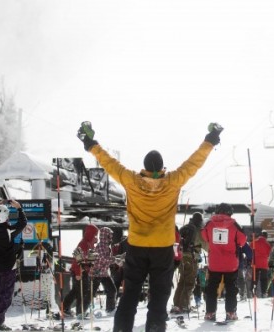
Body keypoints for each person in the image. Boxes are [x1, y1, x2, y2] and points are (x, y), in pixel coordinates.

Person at [77, 121, 222, 332]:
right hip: (163, 247)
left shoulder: (131, 180)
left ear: (144, 167)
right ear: (162, 167)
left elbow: (109, 163)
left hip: (136, 245)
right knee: (160, 295)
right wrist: (210, 139)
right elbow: (194, 163)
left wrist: (91, 143)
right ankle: (154, 328)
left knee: (130, 294)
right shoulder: (173, 180)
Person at [0, 200, 27, 331]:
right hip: (8, 267)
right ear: (6, 217)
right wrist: (19, 208)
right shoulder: (8, 230)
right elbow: (23, 223)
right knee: (6, 297)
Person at [201, 203, 248, 322]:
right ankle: (231, 312)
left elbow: (205, 237)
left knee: (212, 288)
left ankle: (210, 313)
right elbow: (242, 241)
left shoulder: (209, 223)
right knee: (231, 288)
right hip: (231, 263)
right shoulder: (235, 225)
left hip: (214, 263)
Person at [171, 212, 206, 314]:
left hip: (180, 257)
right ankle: (185, 305)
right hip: (191, 257)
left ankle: (177, 304)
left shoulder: (184, 228)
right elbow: (203, 245)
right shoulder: (197, 230)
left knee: (182, 281)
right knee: (190, 282)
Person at [62, 224, 98, 318]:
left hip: (84, 270)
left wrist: (91, 269)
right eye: (94, 234)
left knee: (76, 291)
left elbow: (90, 258)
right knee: (82, 292)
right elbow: (77, 259)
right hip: (79, 271)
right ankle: (80, 312)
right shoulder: (83, 244)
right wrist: (78, 273)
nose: (95, 237)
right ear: (90, 233)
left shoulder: (90, 243)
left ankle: (65, 308)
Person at [90, 227, 118, 314]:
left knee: (112, 290)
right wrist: (115, 260)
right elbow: (102, 259)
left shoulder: (106, 246)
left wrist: (117, 258)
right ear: (105, 236)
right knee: (91, 293)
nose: (111, 238)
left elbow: (107, 258)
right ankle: (82, 310)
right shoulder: (101, 246)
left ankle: (110, 309)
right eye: (109, 236)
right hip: (97, 273)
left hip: (104, 273)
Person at [252, 230, 271, 298]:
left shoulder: (255, 242)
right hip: (264, 263)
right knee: (264, 279)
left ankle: (253, 292)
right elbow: (269, 254)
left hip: (255, 263)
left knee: (255, 278)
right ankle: (264, 292)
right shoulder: (267, 244)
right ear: (266, 236)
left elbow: (251, 248)